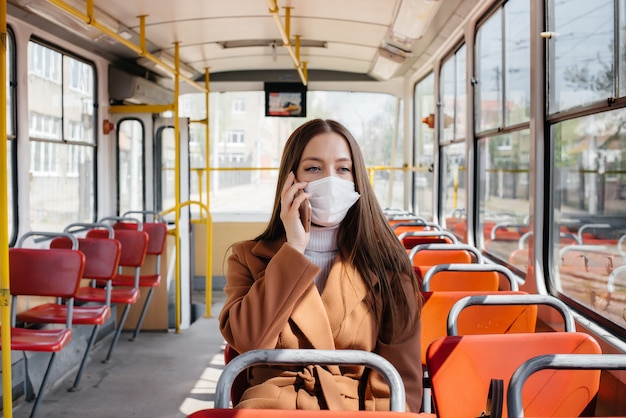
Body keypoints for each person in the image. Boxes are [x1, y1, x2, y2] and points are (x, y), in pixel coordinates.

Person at [219, 118, 423, 412]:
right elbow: (248, 342)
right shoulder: (248, 257)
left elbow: (398, 382)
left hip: (356, 410)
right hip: (273, 407)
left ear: (357, 180)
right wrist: (294, 249)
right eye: (314, 168)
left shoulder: (390, 269)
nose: (331, 180)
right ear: (291, 179)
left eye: (343, 169)